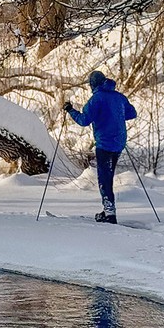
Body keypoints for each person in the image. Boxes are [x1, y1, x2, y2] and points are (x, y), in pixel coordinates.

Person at [64, 71, 137, 223]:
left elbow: (84, 120)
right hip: (119, 143)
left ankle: (110, 213)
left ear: (93, 84)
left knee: (104, 178)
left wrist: (70, 110)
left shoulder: (96, 99)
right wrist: (115, 114)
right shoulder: (119, 97)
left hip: (105, 143)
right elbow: (132, 113)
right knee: (108, 176)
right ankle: (107, 211)